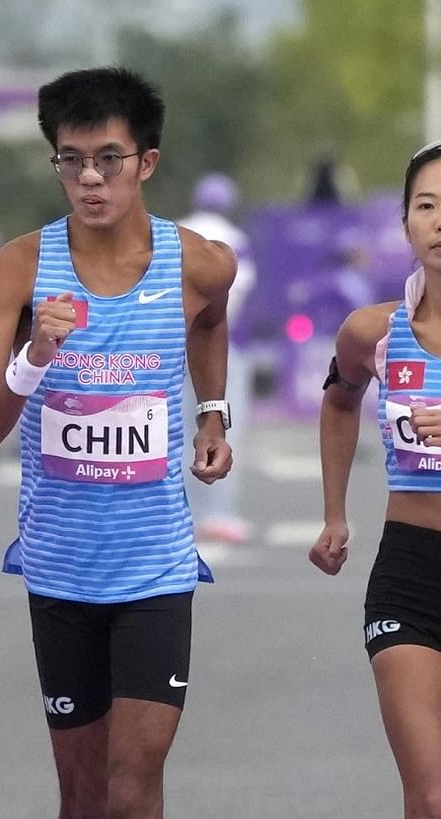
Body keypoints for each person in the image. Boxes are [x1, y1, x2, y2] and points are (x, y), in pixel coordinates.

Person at [0, 67, 236, 819]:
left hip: (156, 566)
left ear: (144, 164)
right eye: (69, 160)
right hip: (58, 571)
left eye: (106, 160)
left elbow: (208, 322)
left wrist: (210, 414)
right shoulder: (17, 268)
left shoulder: (194, 263)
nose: (87, 179)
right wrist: (35, 356)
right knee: (80, 801)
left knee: (133, 784)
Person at [311, 141, 441, 819]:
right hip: (408, 570)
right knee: (431, 799)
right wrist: (333, 513)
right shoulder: (372, 329)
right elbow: (339, 399)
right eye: (429, 204)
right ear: (405, 223)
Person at [180, 173, 257, 545]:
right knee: (225, 428)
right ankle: (219, 514)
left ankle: (182, 514)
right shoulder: (235, 240)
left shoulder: (179, 232)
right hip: (221, 349)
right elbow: (235, 296)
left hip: (174, 348)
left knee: (177, 434)